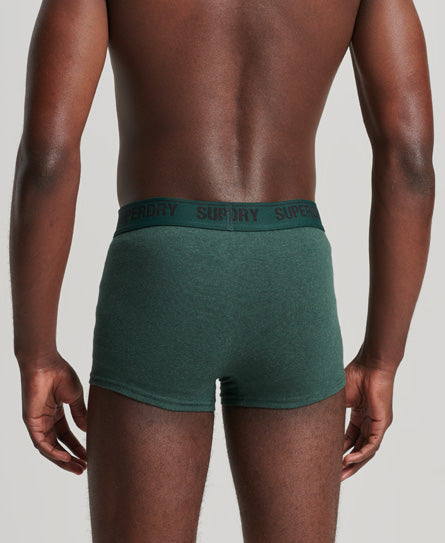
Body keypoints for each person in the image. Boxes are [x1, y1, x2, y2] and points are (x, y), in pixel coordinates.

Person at [9, 0, 434, 541]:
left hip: (161, 274)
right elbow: (411, 158)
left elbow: (47, 158)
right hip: (291, 278)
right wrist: (383, 360)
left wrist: (36, 354)